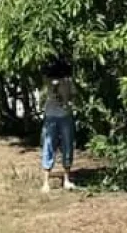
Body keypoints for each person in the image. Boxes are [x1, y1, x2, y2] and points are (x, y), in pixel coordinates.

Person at [40, 58, 76, 192]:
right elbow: (49, 93)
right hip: (51, 116)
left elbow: (73, 95)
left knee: (67, 146)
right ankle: (45, 182)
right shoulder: (48, 81)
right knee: (48, 146)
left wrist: (69, 102)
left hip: (65, 116)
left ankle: (66, 180)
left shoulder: (68, 82)